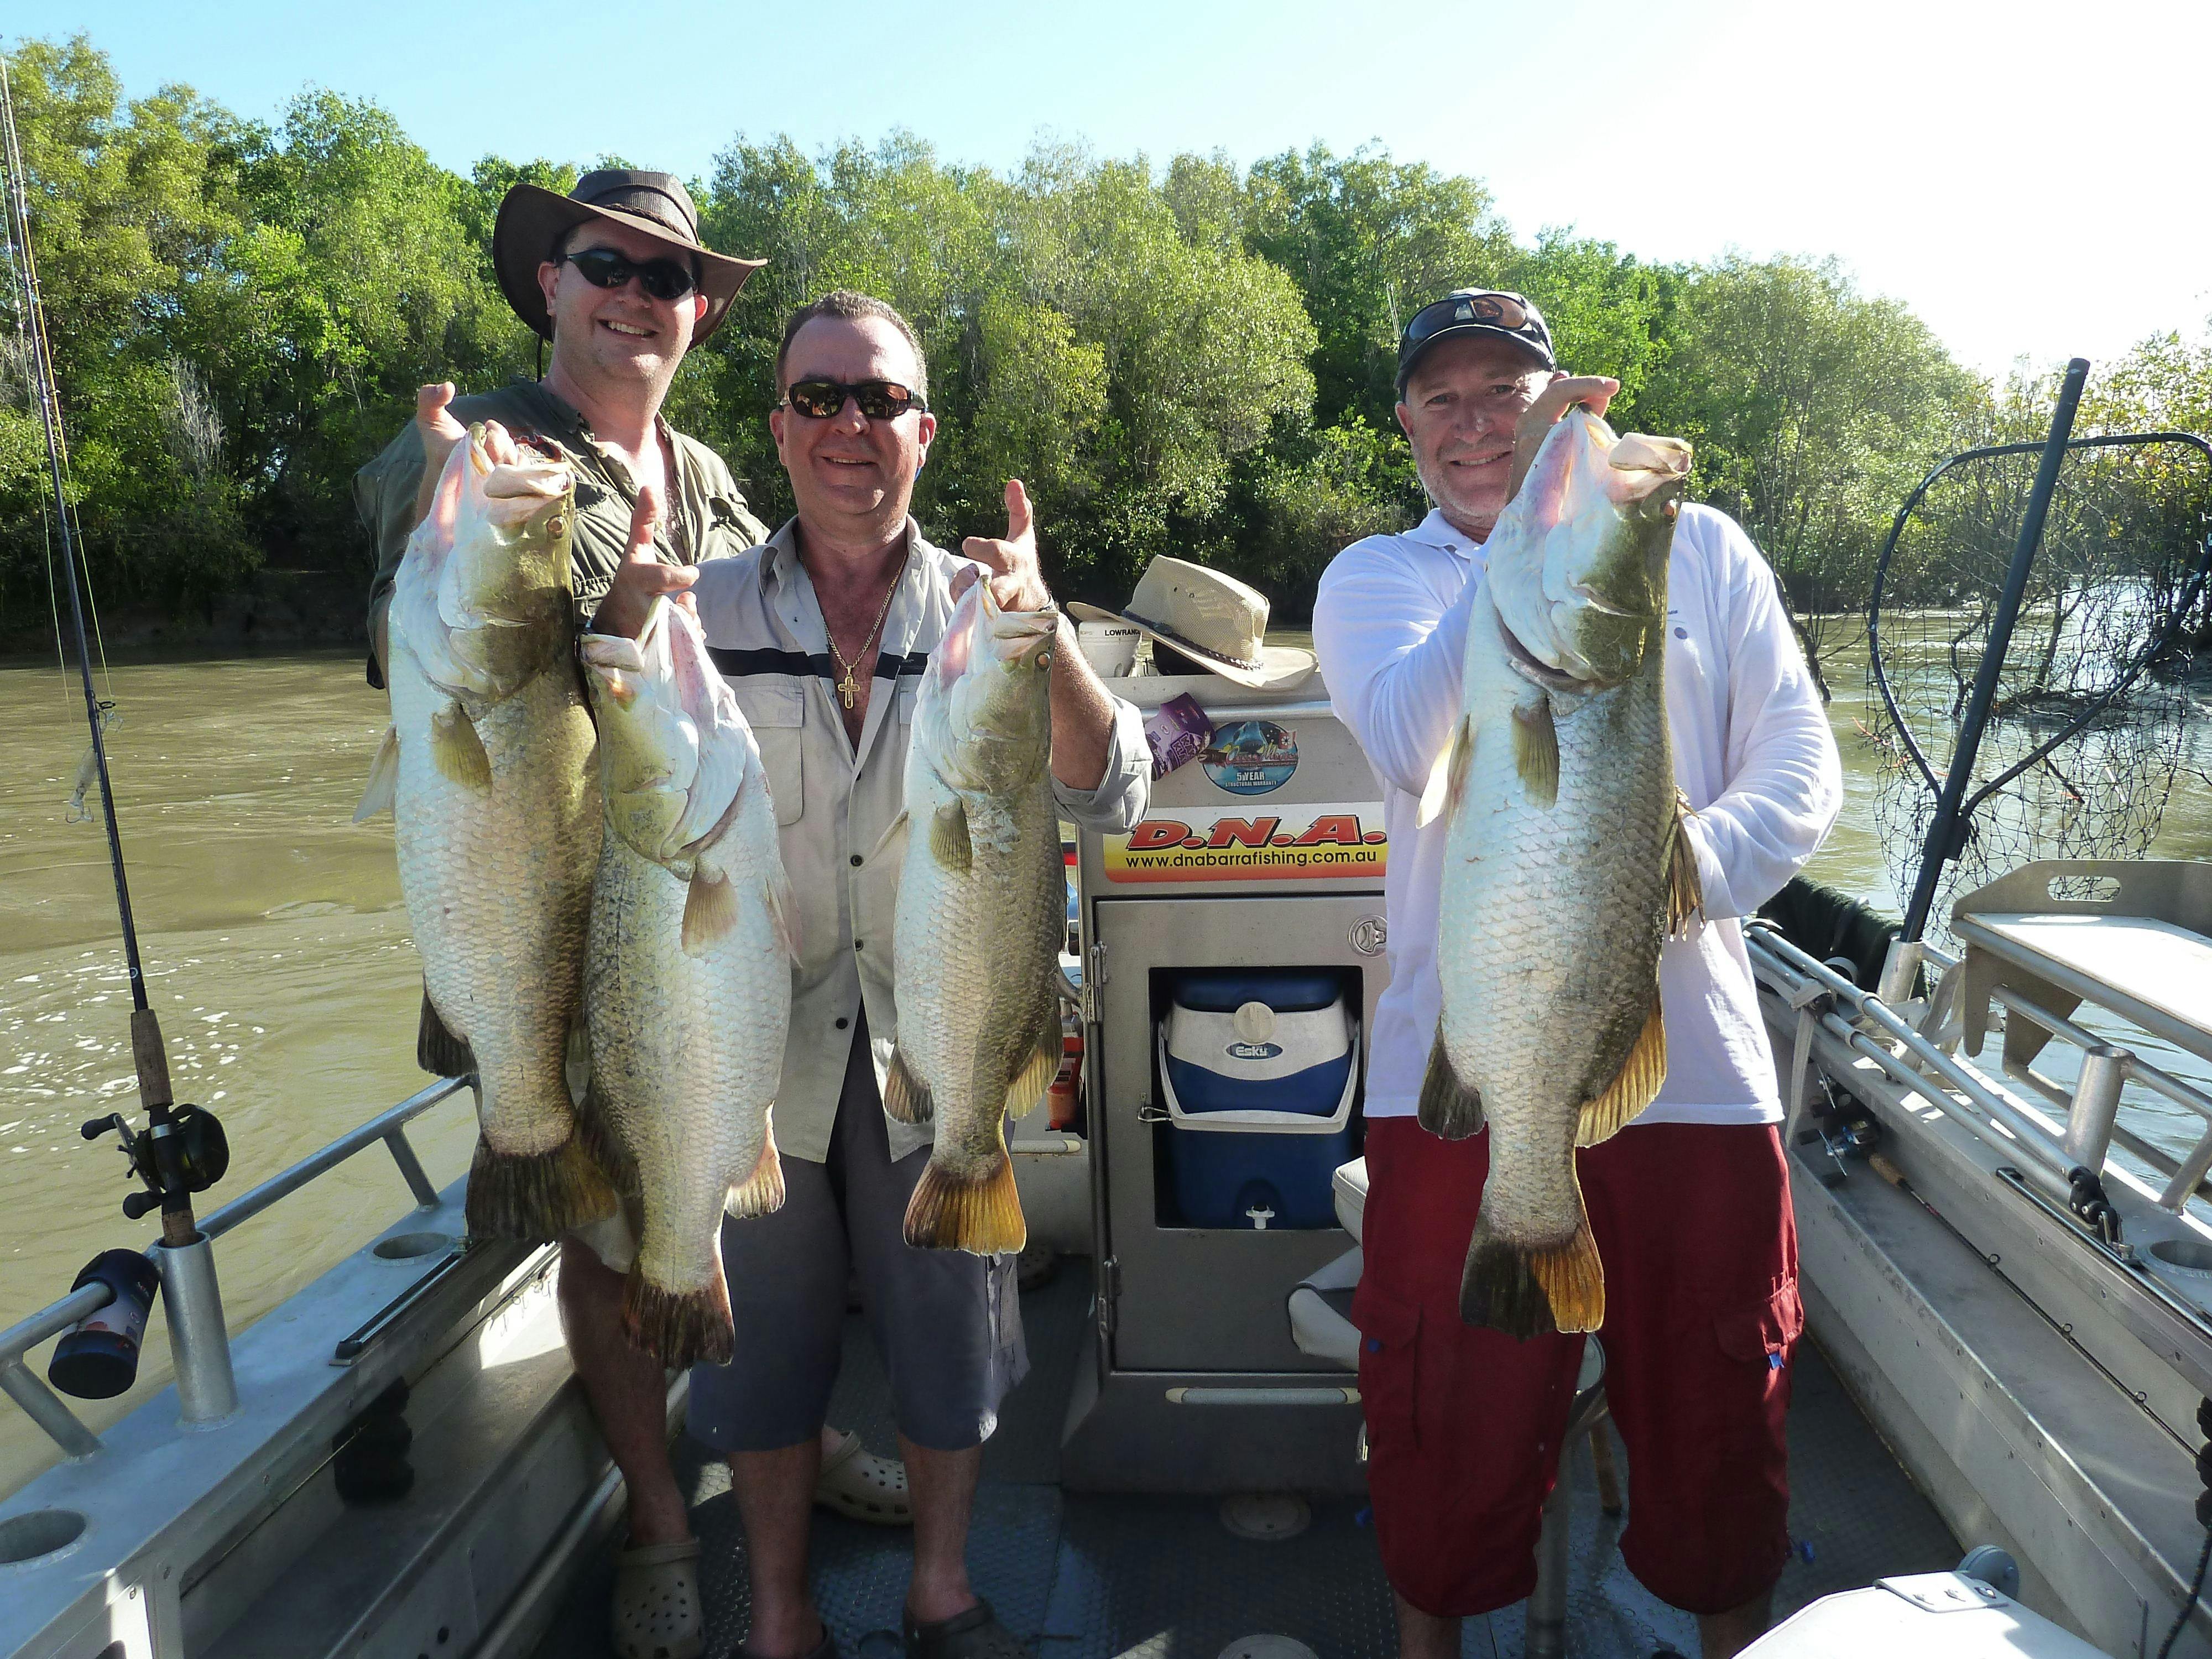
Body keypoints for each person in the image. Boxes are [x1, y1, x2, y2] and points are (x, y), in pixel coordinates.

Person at [356, 173, 900, 1659]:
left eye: (669, 279)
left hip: (713, 900)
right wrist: (437, 510)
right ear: (552, 281)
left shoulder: (711, 471)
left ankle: (793, 1431)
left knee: (755, 1198)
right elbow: (411, 654)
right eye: (607, 265)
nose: (636, 297)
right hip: (554, 917)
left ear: (700, 313)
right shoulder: (475, 450)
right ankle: (661, 1520)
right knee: (606, 1242)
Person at [590, 289, 1149, 1659]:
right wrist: (611, 626)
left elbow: (1115, 790)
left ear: (923, 430)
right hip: (750, 1045)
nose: (851, 425)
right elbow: (579, 765)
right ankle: (780, 1616)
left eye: (881, 399)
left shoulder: (989, 609)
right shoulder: (695, 605)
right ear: (779, 427)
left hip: (943, 1038)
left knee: (951, 1348)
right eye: (820, 398)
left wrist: (1046, 633)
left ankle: (939, 1589)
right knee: (763, 1358)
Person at [1311, 289, 1843, 1659]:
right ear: (1404, 424)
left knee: (1721, 1427)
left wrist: (1666, 875)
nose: (1478, 424)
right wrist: (1525, 548)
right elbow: (1406, 743)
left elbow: (1800, 770)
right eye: (1444, 398)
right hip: (1463, 1075)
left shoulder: (1695, 549)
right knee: (1442, 1420)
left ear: (1561, 403)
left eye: (1510, 393)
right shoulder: (1377, 578)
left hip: (1697, 1080)